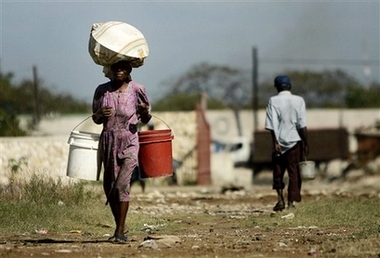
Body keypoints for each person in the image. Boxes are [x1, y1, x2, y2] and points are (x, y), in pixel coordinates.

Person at [92, 60, 151, 243]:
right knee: (110, 186)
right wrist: (101, 113)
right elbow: (95, 118)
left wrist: (145, 112)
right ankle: (120, 227)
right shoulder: (102, 90)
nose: (120, 71)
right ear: (111, 70)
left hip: (130, 140)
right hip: (109, 140)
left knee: (121, 185)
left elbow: (146, 118)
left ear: (129, 70)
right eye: (116, 68)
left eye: (123, 68)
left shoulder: (137, 89)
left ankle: (119, 231)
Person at [265, 75, 309, 211]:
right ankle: (291, 203)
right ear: (290, 86)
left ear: (277, 87)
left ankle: (280, 200)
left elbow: (271, 124)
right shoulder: (299, 100)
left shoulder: (273, 100)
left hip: (279, 143)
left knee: (278, 173)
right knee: (294, 173)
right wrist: (306, 143)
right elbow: (302, 125)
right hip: (295, 141)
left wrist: (275, 142)